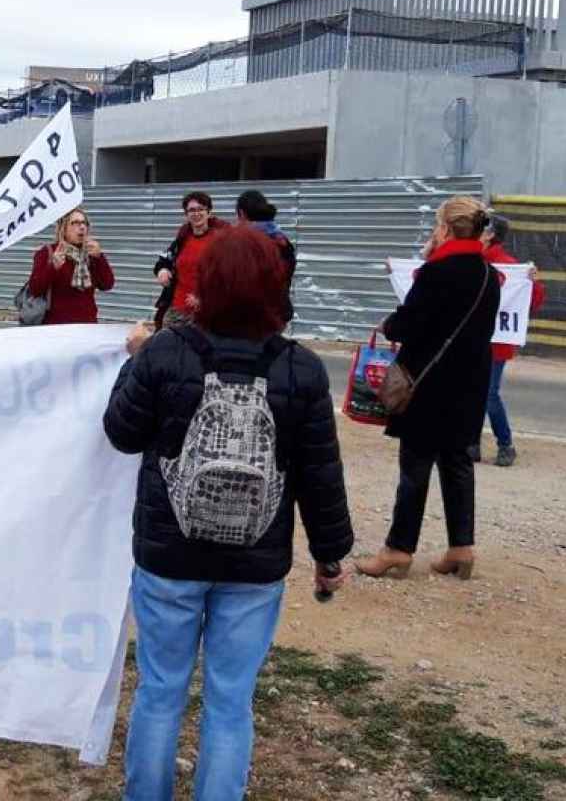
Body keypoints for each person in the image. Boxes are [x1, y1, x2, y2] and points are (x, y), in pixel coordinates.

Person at [104, 227, 352, 801]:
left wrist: (133, 362)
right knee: (230, 700)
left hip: (169, 556)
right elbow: (320, 475)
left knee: (161, 691)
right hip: (255, 564)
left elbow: (121, 433)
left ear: (204, 282)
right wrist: (329, 555)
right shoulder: (302, 369)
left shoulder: (166, 352)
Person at [356, 197, 501, 581]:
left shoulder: (437, 272)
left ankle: (398, 550)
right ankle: (461, 547)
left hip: (428, 384)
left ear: (445, 228)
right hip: (469, 384)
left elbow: (408, 324)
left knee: (415, 467)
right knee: (457, 464)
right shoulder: (489, 275)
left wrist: (389, 325)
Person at [475, 214, 545, 467]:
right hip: (474, 340)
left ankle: (505, 444)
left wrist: (532, 283)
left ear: (490, 234)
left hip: (494, 342)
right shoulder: (474, 261)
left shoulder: (507, 266)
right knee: (475, 392)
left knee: (488, 394)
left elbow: (531, 302)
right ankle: (472, 441)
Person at [26, 207, 116, 324]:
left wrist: (99, 258)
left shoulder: (90, 253)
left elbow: (107, 284)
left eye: (84, 223)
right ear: (63, 228)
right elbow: (35, 289)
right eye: (75, 223)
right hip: (57, 328)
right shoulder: (48, 252)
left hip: (87, 325)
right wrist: (53, 267)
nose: (82, 227)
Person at [152, 191, 226, 329]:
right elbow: (163, 260)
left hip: (206, 313)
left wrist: (205, 296)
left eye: (201, 209)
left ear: (209, 212)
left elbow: (227, 276)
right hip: (176, 309)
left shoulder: (221, 241)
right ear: (186, 214)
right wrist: (162, 270)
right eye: (191, 210)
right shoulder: (182, 239)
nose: (196, 214)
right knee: (168, 347)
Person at [234, 189, 296, 328]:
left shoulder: (242, 242)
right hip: (277, 313)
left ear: (241, 213)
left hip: (249, 317)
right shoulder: (281, 240)